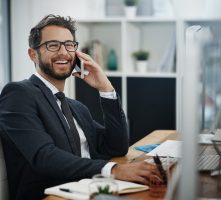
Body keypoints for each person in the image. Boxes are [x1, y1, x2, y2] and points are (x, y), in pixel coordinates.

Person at [0, 14, 156, 200]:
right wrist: (113, 170)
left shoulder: (76, 107)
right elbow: (44, 157)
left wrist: (105, 88)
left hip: (94, 189)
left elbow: (117, 147)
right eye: (53, 45)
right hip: (52, 196)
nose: (64, 52)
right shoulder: (18, 94)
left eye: (69, 45)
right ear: (33, 54)